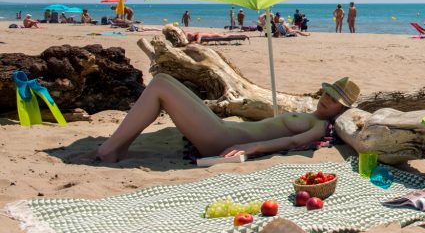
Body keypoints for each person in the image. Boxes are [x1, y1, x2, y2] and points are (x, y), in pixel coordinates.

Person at [96, 74, 360, 163]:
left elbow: (293, 142)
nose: (326, 99)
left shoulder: (319, 125)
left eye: (334, 100)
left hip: (222, 138)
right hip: (223, 129)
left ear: (340, 109)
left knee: (160, 85)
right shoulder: (309, 113)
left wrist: (253, 147)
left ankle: (108, 150)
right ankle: (120, 147)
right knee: (163, 81)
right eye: (326, 93)